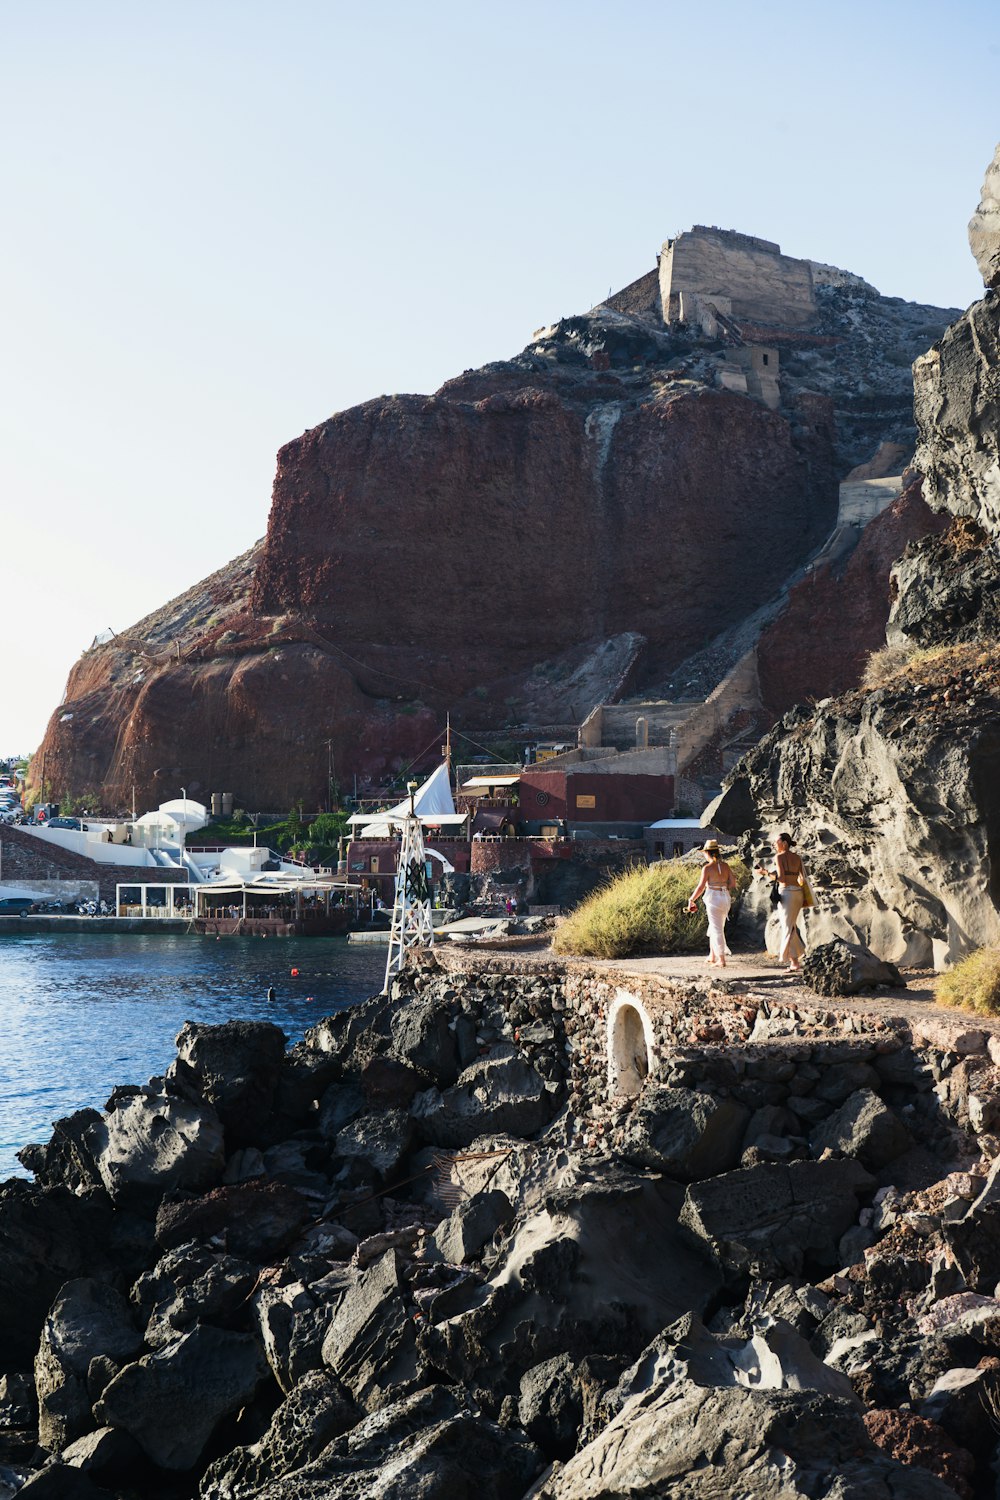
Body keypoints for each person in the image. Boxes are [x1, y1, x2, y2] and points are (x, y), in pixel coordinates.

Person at [757, 831, 806, 971]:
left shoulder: (779, 857)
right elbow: (802, 878)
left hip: (787, 893)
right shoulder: (797, 857)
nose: (774, 844)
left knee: (787, 928)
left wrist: (766, 873)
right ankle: (797, 958)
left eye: (776, 841)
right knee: (791, 927)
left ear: (784, 843)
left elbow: (782, 879)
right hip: (798, 893)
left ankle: (793, 962)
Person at [686, 839, 736, 967]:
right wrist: (723, 888)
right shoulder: (726, 866)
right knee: (716, 926)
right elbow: (733, 883)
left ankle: (721, 959)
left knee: (716, 929)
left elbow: (701, 887)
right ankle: (712, 955)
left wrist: (691, 899)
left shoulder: (707, 868)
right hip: (725, 897)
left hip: (713, 897)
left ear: (707, 853)